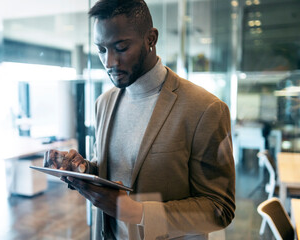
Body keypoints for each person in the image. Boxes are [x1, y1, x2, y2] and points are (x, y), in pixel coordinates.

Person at [54, 0, 236, 239]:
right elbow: (116, 171)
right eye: (101, 49)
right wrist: (83, 169)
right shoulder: (104, 103)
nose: (109, 62)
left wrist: (137, 212)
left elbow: (219, 208)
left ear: (151, 39)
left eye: (120, 47)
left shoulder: (205, 109)